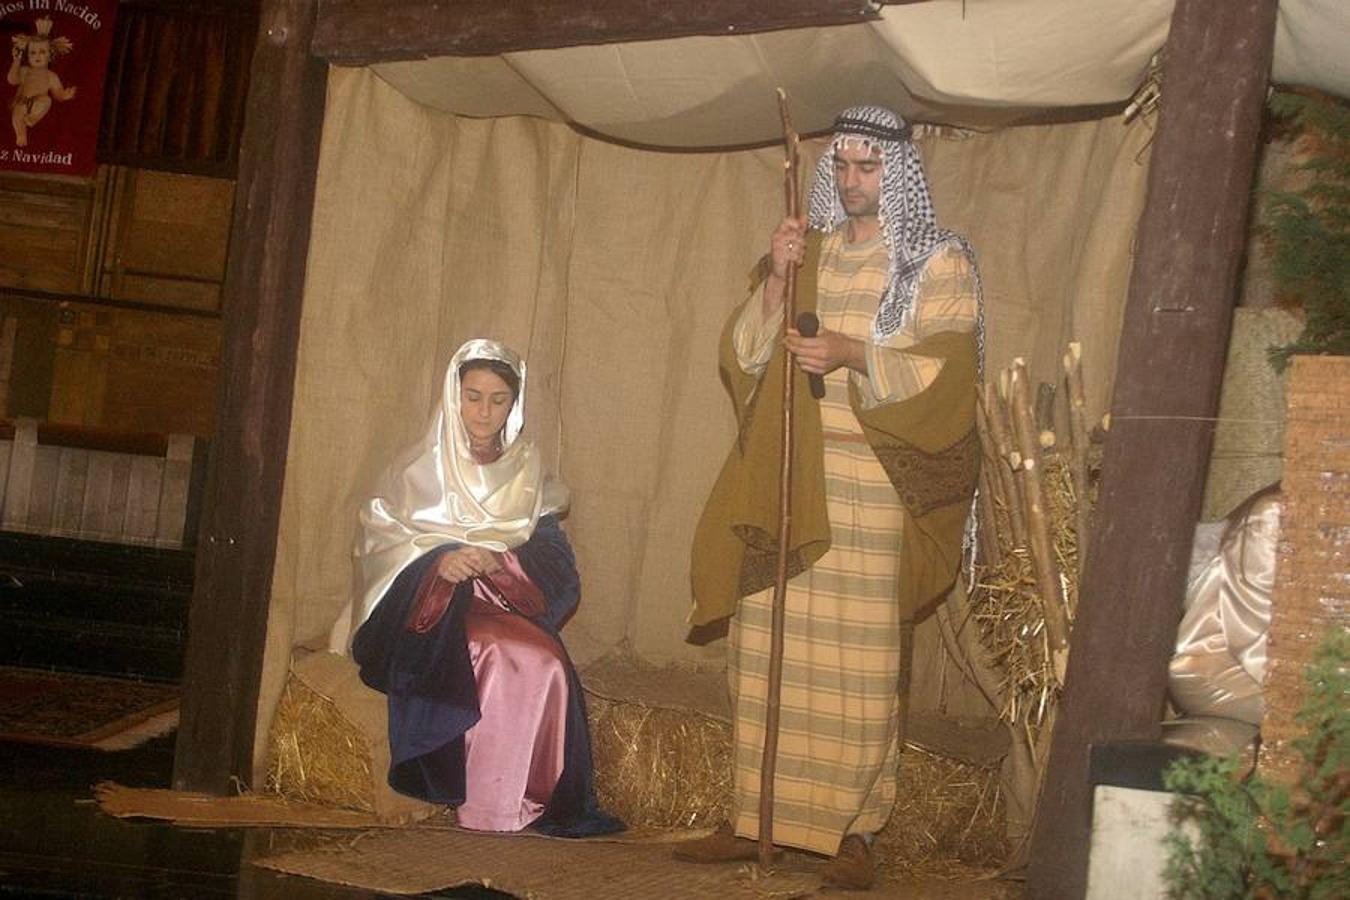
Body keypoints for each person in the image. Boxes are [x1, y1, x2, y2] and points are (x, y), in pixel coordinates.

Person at [677, 106, 982, 889]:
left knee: (862, 665)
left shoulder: (935, 263)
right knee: (766, 652)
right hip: (789, 475)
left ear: (899, 173)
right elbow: (744, 354)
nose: (851, 182)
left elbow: (950, 374)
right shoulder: (803, 253)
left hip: (873, 484)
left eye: (868, 168)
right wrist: (778, 277)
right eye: (841, 167)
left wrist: (851, 351)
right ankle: (756, 818)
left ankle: (853, 834)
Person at [345, 338, 622, 838]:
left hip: (505, 603)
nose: (484, 411)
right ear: (455, 397)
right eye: (473, 396)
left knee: (546, 659)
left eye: (498, 399)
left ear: (514, 406)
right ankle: (485, 805)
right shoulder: (416, 470)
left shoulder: (528, 472)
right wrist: (438, 565)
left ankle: (533, 800)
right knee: (500, 655)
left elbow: (558, 570)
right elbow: (378, 546)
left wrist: (500, 562)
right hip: (435, 615)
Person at [8, 17, 77, 148]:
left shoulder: (51, 76)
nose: (37, 56)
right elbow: (12, 80)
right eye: (32, 53)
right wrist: (16, 61)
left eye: (42, 52)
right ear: (27, 56)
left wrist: (64, 95)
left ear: (50, 56)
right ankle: (21, 134)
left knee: (47, 101)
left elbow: (57, 93)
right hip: (22, 101)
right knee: (17, 114)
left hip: (39, 102)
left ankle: (32, 119)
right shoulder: (24, 71)